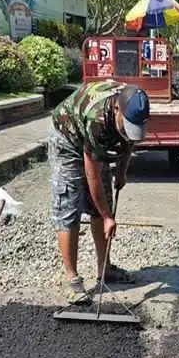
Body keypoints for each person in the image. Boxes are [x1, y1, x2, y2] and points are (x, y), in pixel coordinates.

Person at [49, 79, 151, 303]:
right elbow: (91, 174)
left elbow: (128, 143)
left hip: (94, 142)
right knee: (69, 206)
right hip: (68, 138)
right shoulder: (98, 119)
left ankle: (105, 269)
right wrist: (107, 216)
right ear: (117, 109)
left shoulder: (133, 106)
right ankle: (72, 279)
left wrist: (122, 172)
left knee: (104, 197)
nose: (130, 131)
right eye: (127, 124)